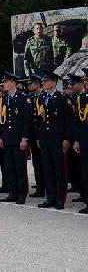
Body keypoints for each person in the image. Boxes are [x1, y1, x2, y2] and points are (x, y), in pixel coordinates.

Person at [36, 70, 73, 210]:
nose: (43, 83)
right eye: (43, 81)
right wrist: (39, 137)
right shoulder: (42, 97)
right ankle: (50, 197)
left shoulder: (62, 98)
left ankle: (60, 198)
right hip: (45, 139)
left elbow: (68, 121)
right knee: (47, 169)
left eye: (46, 81)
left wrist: (67, 139)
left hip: (58, 139)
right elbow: (40, 120)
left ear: (53, 83)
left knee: (59, 170)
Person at [0, 72, 32, 204]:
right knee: (9, 167)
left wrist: (24, 138)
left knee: (20, 167)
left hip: (18, 138)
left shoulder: (23, 98)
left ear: (13, 83)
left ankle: (21, 194)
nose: (4, 84)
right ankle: (12, 193)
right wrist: (1, 137)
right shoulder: (5, 99)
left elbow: (26, 120)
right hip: (7, 137)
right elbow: (3, 120)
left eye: (6, 82)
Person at [73, 70, 88, 214]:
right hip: (84, 139)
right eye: (85, 80)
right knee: (86, 171)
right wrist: (76, 140)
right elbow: (78, 120)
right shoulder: (82, 98)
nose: (86, 82)